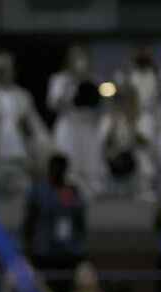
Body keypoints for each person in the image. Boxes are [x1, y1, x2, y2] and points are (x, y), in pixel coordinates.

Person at [0, 50, 47, 198]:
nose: (2, 74)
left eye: (5, 69)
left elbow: (36, 131)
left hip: (19, 162)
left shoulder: (23, 97)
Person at [22, 154, 87, 292]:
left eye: (61, 168)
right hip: (43, 253)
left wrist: (80, 248)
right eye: (54, 168)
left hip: (68, 253)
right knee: (42, 290)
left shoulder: (73, 191)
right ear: (49, 169)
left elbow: (80, 222)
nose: (57, 171)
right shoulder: (38, 192)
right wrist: (27, 249)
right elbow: (29, 223)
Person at [114, 44, 161, 190]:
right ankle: (143, 191)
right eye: (138, 51)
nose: (142, 54)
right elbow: (119, 100)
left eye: (146, 51)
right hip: (135, 123)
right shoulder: (125, 74)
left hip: (159, 124)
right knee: (142, 159)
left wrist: (157, 74)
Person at [47, 45, 105, 197]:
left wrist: (85, 81)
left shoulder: (94, 80)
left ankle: (92, 194)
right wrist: (71, 83)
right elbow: (54, 103)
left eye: (82, 57)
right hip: (68, 126)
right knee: (69, 163)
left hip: (87, 127)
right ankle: (66, 195)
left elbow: (98, 104)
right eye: (75, 57)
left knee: (90, 162)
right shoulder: (59, 79)